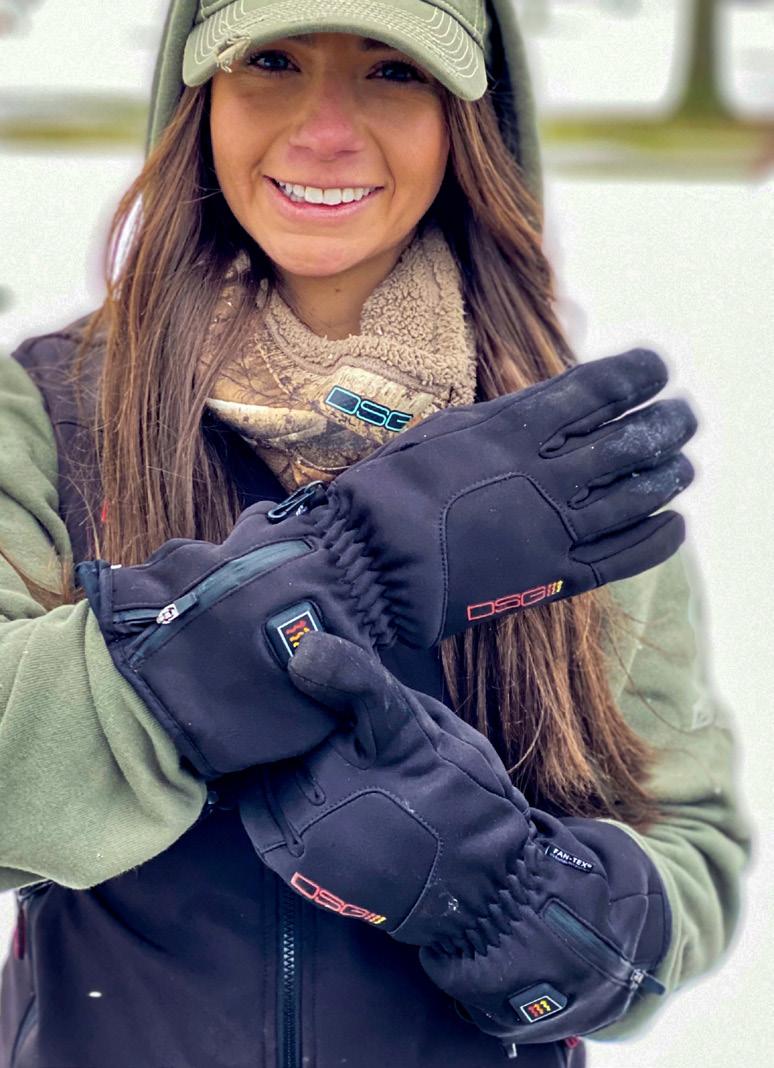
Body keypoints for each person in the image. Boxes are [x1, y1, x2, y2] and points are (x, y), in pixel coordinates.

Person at [0, 1, 749, 1066]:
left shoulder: (562, 463)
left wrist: (512, 896)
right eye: (272, 59)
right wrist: (346, 570)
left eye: (393, 71)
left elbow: (689, 845)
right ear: (197, 97)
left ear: (468, 122)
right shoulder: (46, 411)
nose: (325, 130)